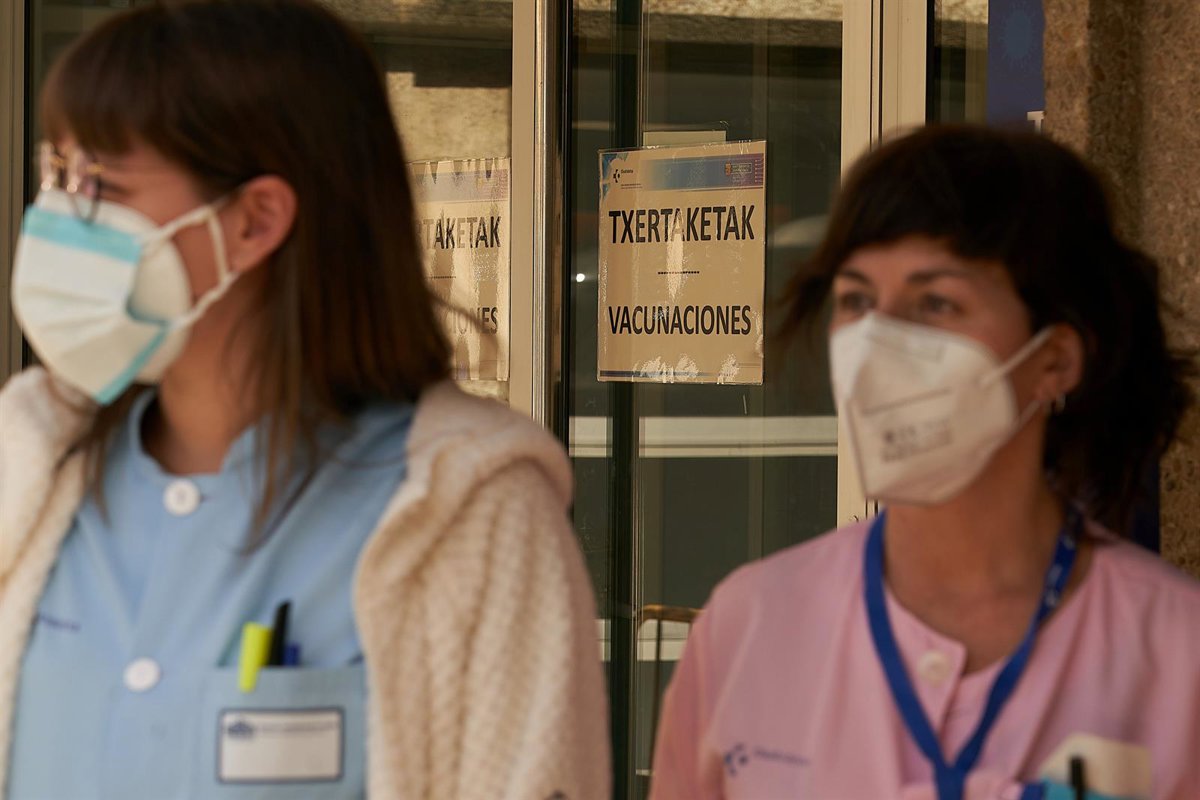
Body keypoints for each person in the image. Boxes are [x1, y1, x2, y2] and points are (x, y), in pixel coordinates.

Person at [0, 1, 609, 798]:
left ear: (254, 222)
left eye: (99, 185)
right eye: (57, 175)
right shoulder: (30, 460)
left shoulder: (473, 513)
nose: (58, 217)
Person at [649, 125, 1200, 799]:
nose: (876, 345)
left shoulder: (1175, 653)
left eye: (936, 303)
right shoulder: (751, 625)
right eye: (856, 301)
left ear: (1055, 360)